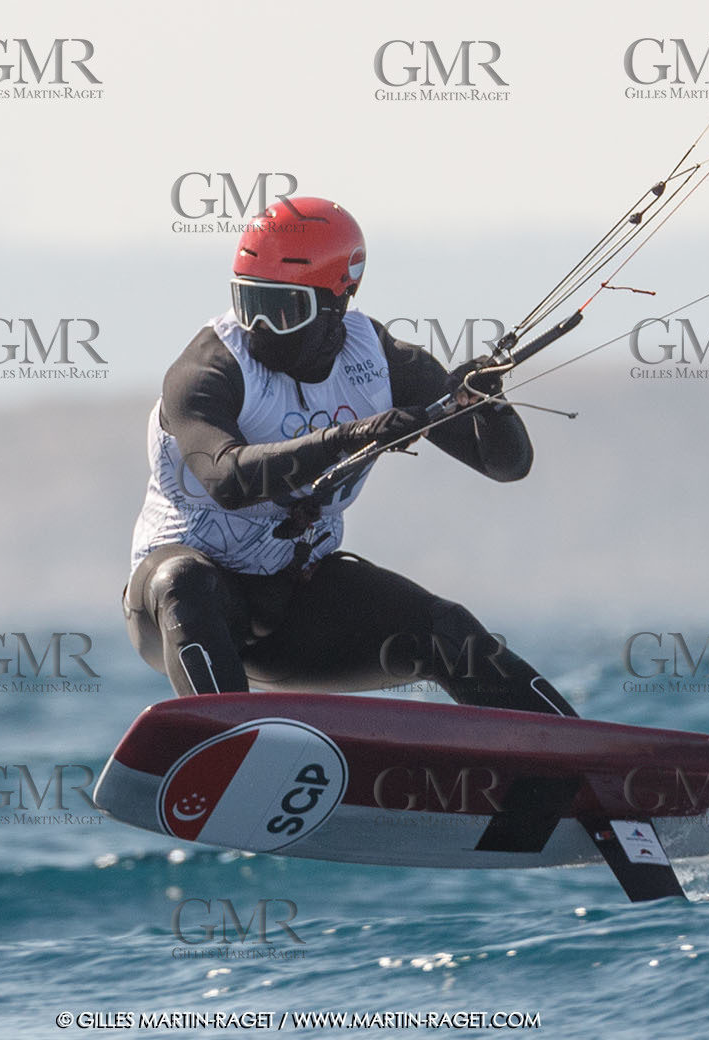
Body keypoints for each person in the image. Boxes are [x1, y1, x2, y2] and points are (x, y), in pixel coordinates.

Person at [123, 196, 577, 716]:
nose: (260, 329)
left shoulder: (382, 363)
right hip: (181, 613)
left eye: (282, 310)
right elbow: (226, 480)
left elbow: (506, 466)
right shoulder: (209, 369)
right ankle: (229, 747)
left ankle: (581, 764)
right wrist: (348, 437)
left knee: (448, 632)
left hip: (294, 610)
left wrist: (489, 406)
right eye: (249, 304)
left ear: (337, 301)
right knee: (184, 581)